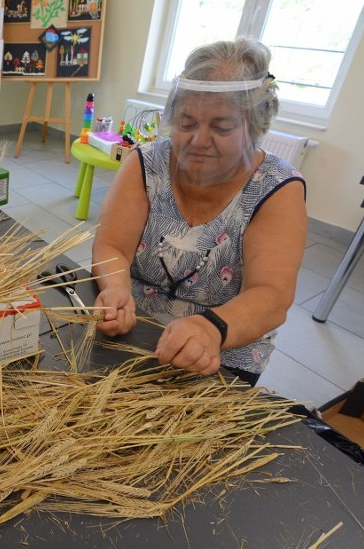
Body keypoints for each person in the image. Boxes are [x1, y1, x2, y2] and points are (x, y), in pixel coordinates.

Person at [92, 38, 307, 386]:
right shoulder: (147, 164)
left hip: (220, 350)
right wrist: (116, 288)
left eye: (221, 127)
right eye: (187, 123)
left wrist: (212, 328)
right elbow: (112, 246)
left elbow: (271, 295)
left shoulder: (276, 188)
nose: (198, 141)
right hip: (135, 326)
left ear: (255, 127)